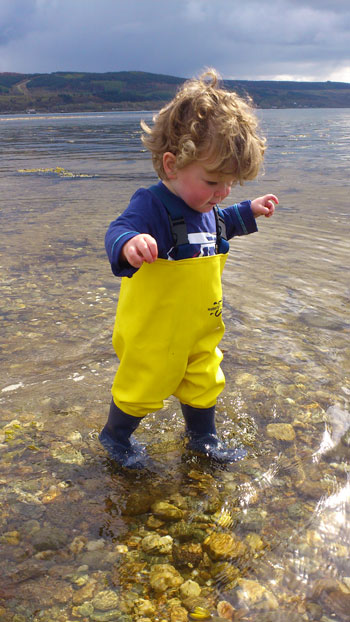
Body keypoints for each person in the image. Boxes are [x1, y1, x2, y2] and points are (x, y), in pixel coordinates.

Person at [100, 69, 278, 469]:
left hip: (201, 326)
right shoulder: (153, 205)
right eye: (214, 181)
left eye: (231, 184)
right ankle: (116, 436)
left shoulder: (210, 209)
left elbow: (223, 224)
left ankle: (203, 437)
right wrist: (130, 243)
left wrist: (247, 211)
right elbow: (117, 229)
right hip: (154, 330)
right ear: (171, 165)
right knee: (143, 384)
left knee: (204, 381)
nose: (223, 193)